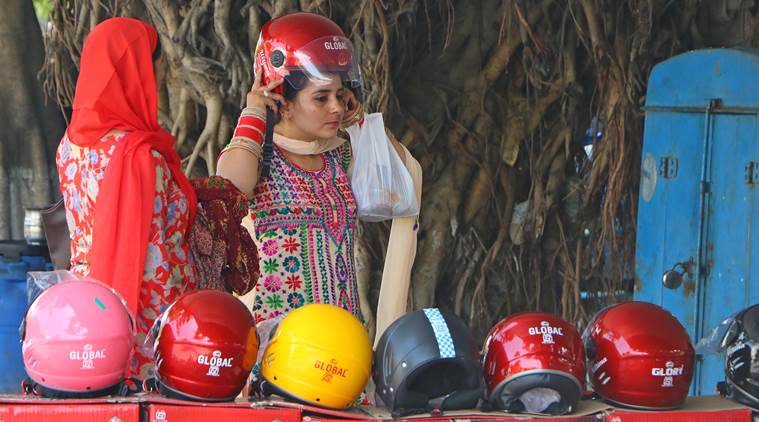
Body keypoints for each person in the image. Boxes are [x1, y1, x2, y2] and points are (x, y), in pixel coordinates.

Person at [216, 12, 422, 333]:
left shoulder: (339, 154)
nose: (337, 108)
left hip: (341, 340)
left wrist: (359, 122)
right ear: (282, 103)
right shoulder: (262, 156)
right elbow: (231, 185)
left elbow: (399, 180)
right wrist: (255, 110)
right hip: (278, 345)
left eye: (340, 96)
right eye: (321, 98)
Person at [55, 17, 198, 380]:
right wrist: (171, 338)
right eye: (158, 62)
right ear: (137, 69)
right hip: (145, 322)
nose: (163, 72)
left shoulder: (70, 145)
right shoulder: (142, 158)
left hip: (85, 312)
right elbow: (153, 263)